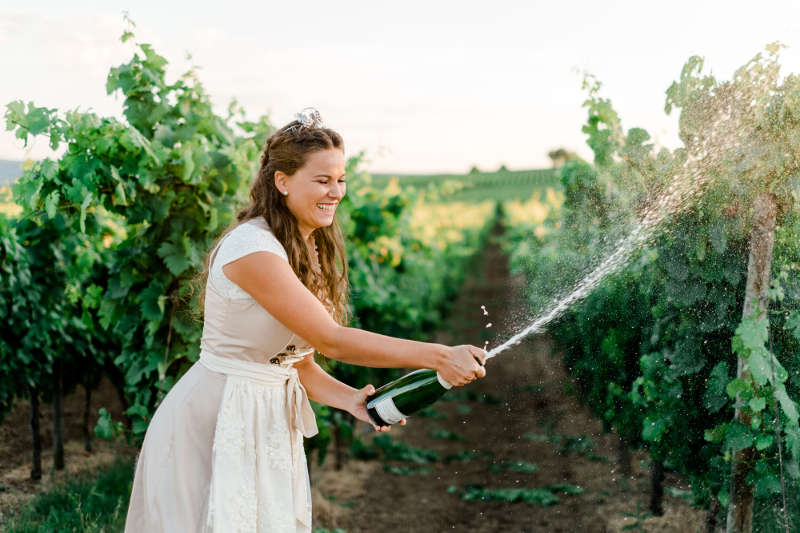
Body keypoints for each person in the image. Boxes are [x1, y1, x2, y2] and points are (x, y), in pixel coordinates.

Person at [123, 108, 487, 533]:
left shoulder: (303, 248)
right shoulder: (252, 249)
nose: (335, 191)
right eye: (322, 180)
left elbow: (297, 362)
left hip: (267, 420)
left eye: (341, 180)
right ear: (282, 182)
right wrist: (439, 356)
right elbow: (329, 339)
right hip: (217, 420)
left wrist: (351, 400)